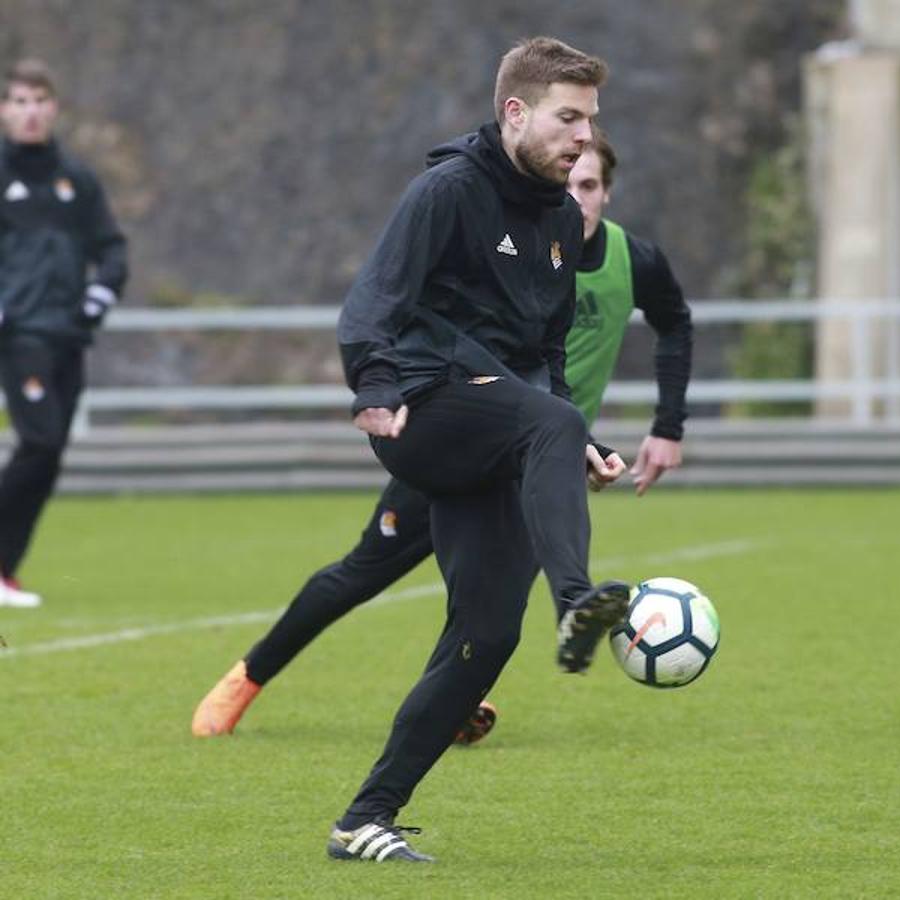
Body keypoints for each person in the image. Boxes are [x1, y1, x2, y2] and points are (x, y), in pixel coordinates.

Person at [190, 128, 692, 743]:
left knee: (493, 591)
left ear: (608, 194)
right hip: (464, 429)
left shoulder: (632, 260)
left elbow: (675, 322)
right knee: (363, 571)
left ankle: (456, 700)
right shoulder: (516, 244)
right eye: (571, 180)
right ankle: (249, 674)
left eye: (589, 185)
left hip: (540, 454)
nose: (577, 195)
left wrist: (666, 426)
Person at [288, 37, 634, 863]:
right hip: (423, 406)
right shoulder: (446, 190)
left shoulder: (558, 218)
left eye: (588, 121)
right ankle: (579, 600)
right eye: (567, 118)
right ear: (515, 112)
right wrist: (372, 389)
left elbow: (545, 355)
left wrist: (574, 441)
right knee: (553, 423)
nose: (582, 138)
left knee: (485, 634)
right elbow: (373, 299)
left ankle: (362, 820)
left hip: (497, 426)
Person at [0, 59, 127, 609]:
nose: (30, 112)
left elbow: (112, 248)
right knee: (40, 440)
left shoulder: (76, 179)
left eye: (38, 101)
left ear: (53, 108)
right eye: (19, 102)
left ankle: (4, 571)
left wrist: (97, 299)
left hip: (68, 334)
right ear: (5, 111)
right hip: (19, 332)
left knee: (50, 456)